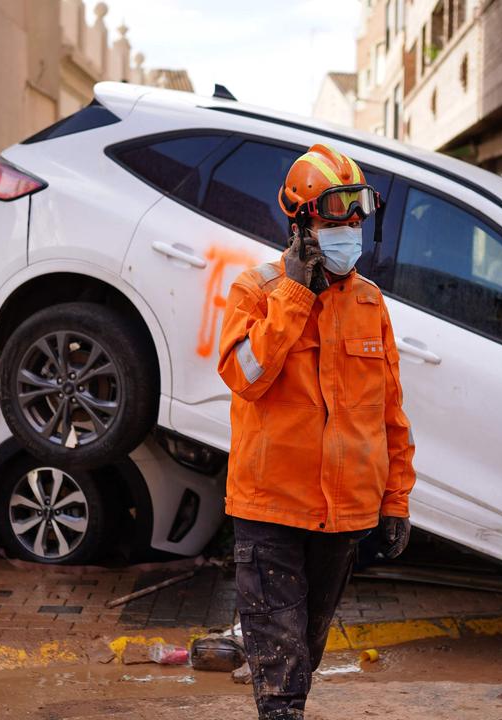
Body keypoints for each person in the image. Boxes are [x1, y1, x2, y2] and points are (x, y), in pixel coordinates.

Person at [217, 144, 416, 720]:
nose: (350, 230)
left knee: (304, 650)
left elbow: (391, 414)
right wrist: (296, 295)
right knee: (280, 675)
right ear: (301, 223)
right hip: (272, 511)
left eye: (357, 218)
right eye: (336, 218)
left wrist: (396, 499)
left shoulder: (369, 301)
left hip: (344, 515)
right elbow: (245, 376)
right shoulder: (255, 290)